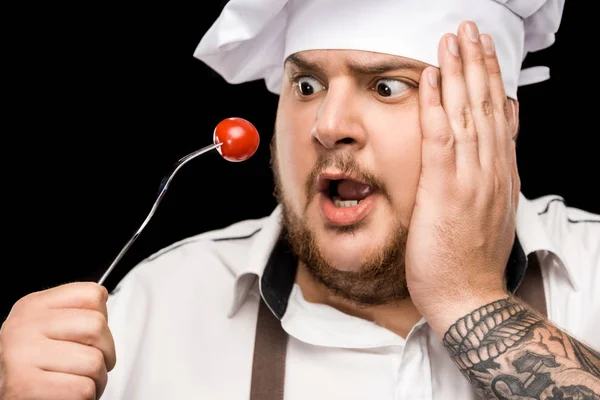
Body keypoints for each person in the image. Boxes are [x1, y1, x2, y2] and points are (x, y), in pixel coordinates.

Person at [1, 0, 598, 399]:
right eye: (307, 85)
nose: (328, 123)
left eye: (388, 87)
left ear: (496, 119)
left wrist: (467, 297)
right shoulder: (153, 308)